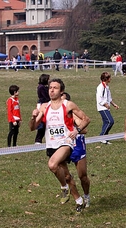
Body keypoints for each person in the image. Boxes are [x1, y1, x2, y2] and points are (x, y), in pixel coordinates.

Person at [29, 78, 90, 213]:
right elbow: (32, 128)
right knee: (67, 176)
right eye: (50, 87)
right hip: (52, 144)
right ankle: (78, 200)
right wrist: (33, 118)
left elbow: (86, 119)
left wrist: (77, 131)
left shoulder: (68, 105)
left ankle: (67, 189)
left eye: (55, 88)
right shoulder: (44, 107)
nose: (51, 90)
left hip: (66, 143)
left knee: (53, 165)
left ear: (61, 90)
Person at [61, 92, 91, 208]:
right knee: (66, 176)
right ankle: (77, 199)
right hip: (62, 145)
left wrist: (74, 128)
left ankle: (86, 195)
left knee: (82, 176)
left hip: (77, 145)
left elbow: (84, 130)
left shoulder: (73, 114)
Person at [96, 72, 119, 144]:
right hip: (102, 108)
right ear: (106, 79)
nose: (110, 79)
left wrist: (114, 104)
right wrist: (105, 104)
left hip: (106, 107)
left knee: (106, 122)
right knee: (110, 121)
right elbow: (100, 99)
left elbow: (109, 98)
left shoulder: (106, 87)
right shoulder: (101, 87)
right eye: (109, 78)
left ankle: (104, 138)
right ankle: (102, 136)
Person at [35, 74, 50, 144]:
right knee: (42, 122)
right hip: (42, 104)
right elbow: (45, 97)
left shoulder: (44, 87)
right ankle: (38, 140)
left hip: (45, 104)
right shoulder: (41, 87)